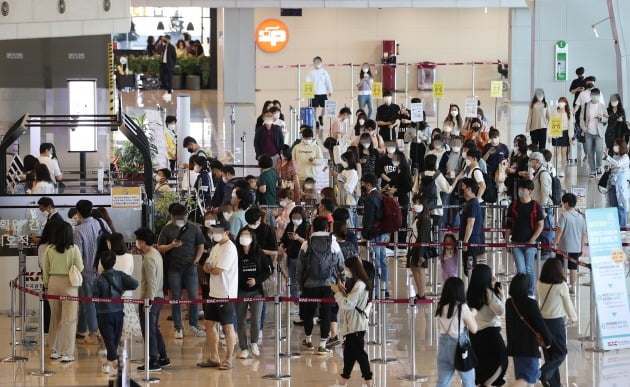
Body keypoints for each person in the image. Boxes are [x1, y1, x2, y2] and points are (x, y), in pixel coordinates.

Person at [297, 216, 345, 355]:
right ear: (326, 228)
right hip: (328, 284)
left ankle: (308, 340)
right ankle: (323, 345)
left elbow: (300, 267)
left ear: (313, 227)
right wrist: (342, 279)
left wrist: (299, 282)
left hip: (310, 284)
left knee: (309, 312)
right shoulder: (333, 242)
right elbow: (340, 262)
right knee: (326, 312)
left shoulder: (307, 243)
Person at [157, 203, 206, 339]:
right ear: (172, 217)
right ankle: (178, 327)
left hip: (190, 268)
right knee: (175, 298)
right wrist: (171, 245)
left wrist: (196, 260)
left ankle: (194, 324)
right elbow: (160, 247)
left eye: (181, 217)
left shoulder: (194, 228)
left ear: (186, 216)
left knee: (194, 297)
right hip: (174, 268)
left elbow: (200, 245)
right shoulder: (167, 229)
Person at [198, 220, 238, 370]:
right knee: (209, 324)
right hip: (213, 292)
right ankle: (214, 357)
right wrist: (209, 268)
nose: (215, 234)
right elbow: (206, 265)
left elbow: (217, 270)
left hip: (225, 293)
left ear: (226, 232)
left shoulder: (229, 248)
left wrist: (210, 268)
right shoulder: (215, 247)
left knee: (227, 327)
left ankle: (228, 359)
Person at [43, 222, 83, 363]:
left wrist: (46, 285)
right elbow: (80, 267)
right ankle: (67, 353)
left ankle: (54, 349)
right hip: (69, 285)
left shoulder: (49, 248)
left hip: (53, 283)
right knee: (69, 319)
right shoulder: (74, 249)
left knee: (55, 318)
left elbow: (45, 269)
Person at [93, 251, 139, 374]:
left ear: (101, 264)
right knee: (114, 340)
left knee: (108, 340)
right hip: (118, 311)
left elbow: (94, 297)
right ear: (114, 263)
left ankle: (111, 361)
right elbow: (135, 284)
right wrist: (122, 290)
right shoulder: (120, 275)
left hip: (103, 314)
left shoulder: (98, 280)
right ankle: (111, 362)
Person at [332, 256, 373, 387]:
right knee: (348, 354)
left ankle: (369, 381)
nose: (346, 271)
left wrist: (337, 293)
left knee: (360, 354)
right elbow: (351, 300)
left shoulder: (359, 285)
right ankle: (343, 380)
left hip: (356, 325)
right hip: (352, 325)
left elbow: (348, 304)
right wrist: (343, 291)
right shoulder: (357, 283)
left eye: (347, 268)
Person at [74, 199, 111, 343]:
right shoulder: (100, 222)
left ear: (78, 212)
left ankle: (94, 333)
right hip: (103, 269)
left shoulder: (78, 231)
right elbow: (111, 238)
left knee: (88, 302)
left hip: (86, 271)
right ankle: (81, 329)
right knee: (90, 301)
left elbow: (77, 254)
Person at [506, 273, 552, 386]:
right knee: (528, 379)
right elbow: (539, 324)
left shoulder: (509, 303)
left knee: (523, 377)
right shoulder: (530, 303)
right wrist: (548, 340)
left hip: (516, 348)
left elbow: (508, 326)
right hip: (529, 347)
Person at [537, 258, 577, 387]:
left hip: (543, 322)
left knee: (549, 355)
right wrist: (573, 317)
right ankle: (543, 373)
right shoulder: (561, 285)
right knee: (561, 352)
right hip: (556, 323)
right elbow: (567, 304)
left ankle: (554, 384)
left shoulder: (539, 283)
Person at [134, 228, 170, 372]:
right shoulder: (155, 254)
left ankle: (153, 360)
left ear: (142, 242)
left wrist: (148, 302)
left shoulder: (149, 257)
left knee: (148, 330)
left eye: (137, 240)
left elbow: (152, 283)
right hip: (158, 296)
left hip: (151, 298)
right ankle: (163, 357)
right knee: (153, 328)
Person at [466, 264, 508, 386]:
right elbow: (501, 311)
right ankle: (488, 383)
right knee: (501, 361)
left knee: (482, 364)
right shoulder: (487, 292)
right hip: (490, 332)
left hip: (475, 334)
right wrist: (502, 295)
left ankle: (484, 382)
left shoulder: (470, 291)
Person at [235, 227, 272, 359]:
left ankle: (254, 343)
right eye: (242, 235)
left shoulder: (259, 253)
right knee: (240, 320)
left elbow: (268, 271)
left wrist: (256, 280)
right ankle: (243, 347)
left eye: (247, 235)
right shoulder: (235, 253)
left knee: (256, 319)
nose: (244, 238)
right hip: (240, 291)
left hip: (256, 292)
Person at [435, 277, 478, 387]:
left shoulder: (440, 306)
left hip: (443, 346)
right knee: (468, 382)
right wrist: (473, 314)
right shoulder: (462, 307)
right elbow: (474, 329)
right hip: (459, 347)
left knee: (442, 383)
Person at [504, 179, 544, 296]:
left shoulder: (535, 206)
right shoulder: (514, 204)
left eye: (523, 189)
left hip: (530, 243)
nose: (520, 191)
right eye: (519, 188)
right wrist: (507, 241)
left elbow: (540, 224)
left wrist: (532, 240)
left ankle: (531, 292)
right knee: (521, 270)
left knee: (529, 268)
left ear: (530, 191)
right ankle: (522, 293)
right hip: (516, 242)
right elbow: (508, 224)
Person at [360, 174, 388, 295]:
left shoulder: (370, 198)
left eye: (364, 184)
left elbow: (368, 219)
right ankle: (384, 287)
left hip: (374, 233)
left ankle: (376, 290)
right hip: (382, 231)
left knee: (375, 261)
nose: (363, 186)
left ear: (368, 184)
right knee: (382, 260)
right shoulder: (380, 196)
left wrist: (365, 235)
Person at [554, 193, 586, 292]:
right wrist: (581, 247)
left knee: (562, 266)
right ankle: (572, 287)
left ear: (567, 203)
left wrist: (555, 242)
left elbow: (560, 230)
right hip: (576, 247)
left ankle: (563, 286)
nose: (563, 205)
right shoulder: (580, 217)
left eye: (563, 203)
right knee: (573, 268)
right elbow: (583, 233)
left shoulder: (564, 215)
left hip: (564, 247)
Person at [280, 206, 309, 299]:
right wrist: (281, 246)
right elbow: (283, 239)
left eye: (298, 218)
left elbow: (309, 243)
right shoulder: (290, 225)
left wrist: (298, 238)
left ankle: (303, 302)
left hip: (302, 257)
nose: (295, 220)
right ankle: (296, 302)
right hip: (291, 257)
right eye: (293, 217)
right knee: (292, 281)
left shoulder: (307, 226)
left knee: (302, 281)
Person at [579, 88, 609, 177]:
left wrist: (601, 118)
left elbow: (606, 119)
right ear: (591, 95)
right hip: (588, 132)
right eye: (593, 95)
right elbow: (581, 118)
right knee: (590, 151)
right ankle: (592, 170)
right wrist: (584, 128)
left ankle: (599, 166)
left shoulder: (602, 106)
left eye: (597, 96)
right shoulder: (585, 105)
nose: (595, 97)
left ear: (599, 96)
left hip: (599, 133)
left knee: (599, 150)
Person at [530, 152, 555, 256]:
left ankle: (546, 247)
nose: (531, 163)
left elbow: (545, 192)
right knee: (540, 226)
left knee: (546, 227)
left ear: (537, 161)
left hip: (544, 206)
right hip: (539, 205)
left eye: (532, 161)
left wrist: (543, 207)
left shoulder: (543, 174)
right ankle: (542, 247)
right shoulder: (538, 173)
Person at [458, 178, 485, 276]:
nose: (461, 188)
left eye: (463, 186)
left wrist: (465, 242)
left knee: (470, 269)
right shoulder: (469, 203)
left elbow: (470, 224)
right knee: (468, 269)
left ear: (469, 189)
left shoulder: (473, 204)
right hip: (469, 240)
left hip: (471, 241)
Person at [408, 196, 432, 299]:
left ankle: (422, 294)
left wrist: (421, 254)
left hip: (420, 247)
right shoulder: (418, 217)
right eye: (415, 203)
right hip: (414, 246)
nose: (415, 205)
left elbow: (423, 237)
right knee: (414, 267)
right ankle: (419, 292)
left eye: (418, 203)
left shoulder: (425, 219)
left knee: (420, 269)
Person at [604, 139, 630, 227]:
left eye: (616, 145)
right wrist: (608, 168)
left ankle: (622, 227)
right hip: (612, 184)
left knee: (621, 206)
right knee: (613, 205)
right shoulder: (615, 156)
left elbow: (618, 164)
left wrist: (607, 156)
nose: (614, 146)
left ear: (621, 146)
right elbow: (613, 166)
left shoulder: (625, 157)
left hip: (620, 185)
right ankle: (614, 226)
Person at [305, 56, 333, 128]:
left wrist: (330, 90)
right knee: (314, 108)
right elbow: (307, 81)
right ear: (313, 63)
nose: (317, 63)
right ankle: (316, 121)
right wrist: (308, 92)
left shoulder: (324, 72)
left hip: (323, 92)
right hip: (314, 93)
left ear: (321, 63)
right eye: (315, 62)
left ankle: (321, 116)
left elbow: (328, 81)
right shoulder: (311, 72)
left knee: (325, 106)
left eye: (318, 62)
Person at [550, 97, 573, 177]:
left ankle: (563, 170)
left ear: (566, 103)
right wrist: (550, 135)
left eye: (562, 102)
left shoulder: (569, 113)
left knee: (564, 153)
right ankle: (554, 169)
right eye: (559, 102)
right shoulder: (554, 112)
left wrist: (570, 137)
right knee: (556, 153)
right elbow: (551, 124)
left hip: (565, 133)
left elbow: (571, 126)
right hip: (556, 132)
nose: (561, 104)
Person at [336, 151, 360, 227]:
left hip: (347, 196)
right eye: (342, 160)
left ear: (349, 160)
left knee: (348, 216)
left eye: (344, 160)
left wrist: (339, 176)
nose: (343, 162)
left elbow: (348, 187)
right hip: (340, 194)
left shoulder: (353, 172)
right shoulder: (344, 171)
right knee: (342, 216)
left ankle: (351, 231)